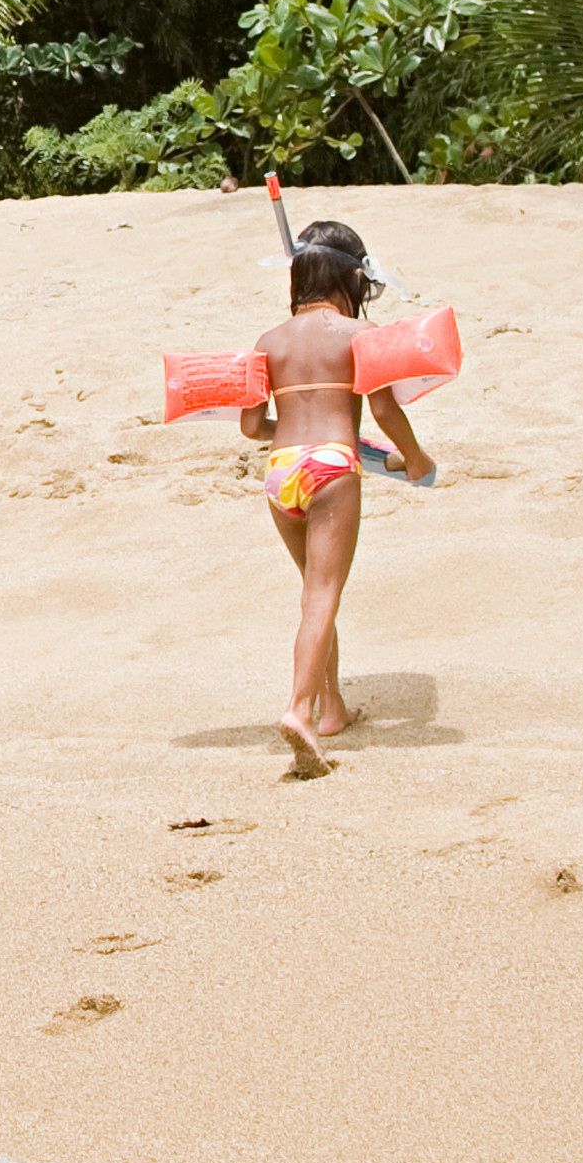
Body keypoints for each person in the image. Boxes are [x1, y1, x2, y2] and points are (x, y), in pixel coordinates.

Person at [238, 217, 433, 775]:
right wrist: (415, 460)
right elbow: (386, 410)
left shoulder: (267, 341)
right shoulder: (358, 337)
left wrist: (299, 426)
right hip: (331, 467)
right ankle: (300, 710)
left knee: (312, 594)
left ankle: (332, 709)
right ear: (350, 280)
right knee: (323, 595)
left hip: (280, 473)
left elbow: (253, 427)